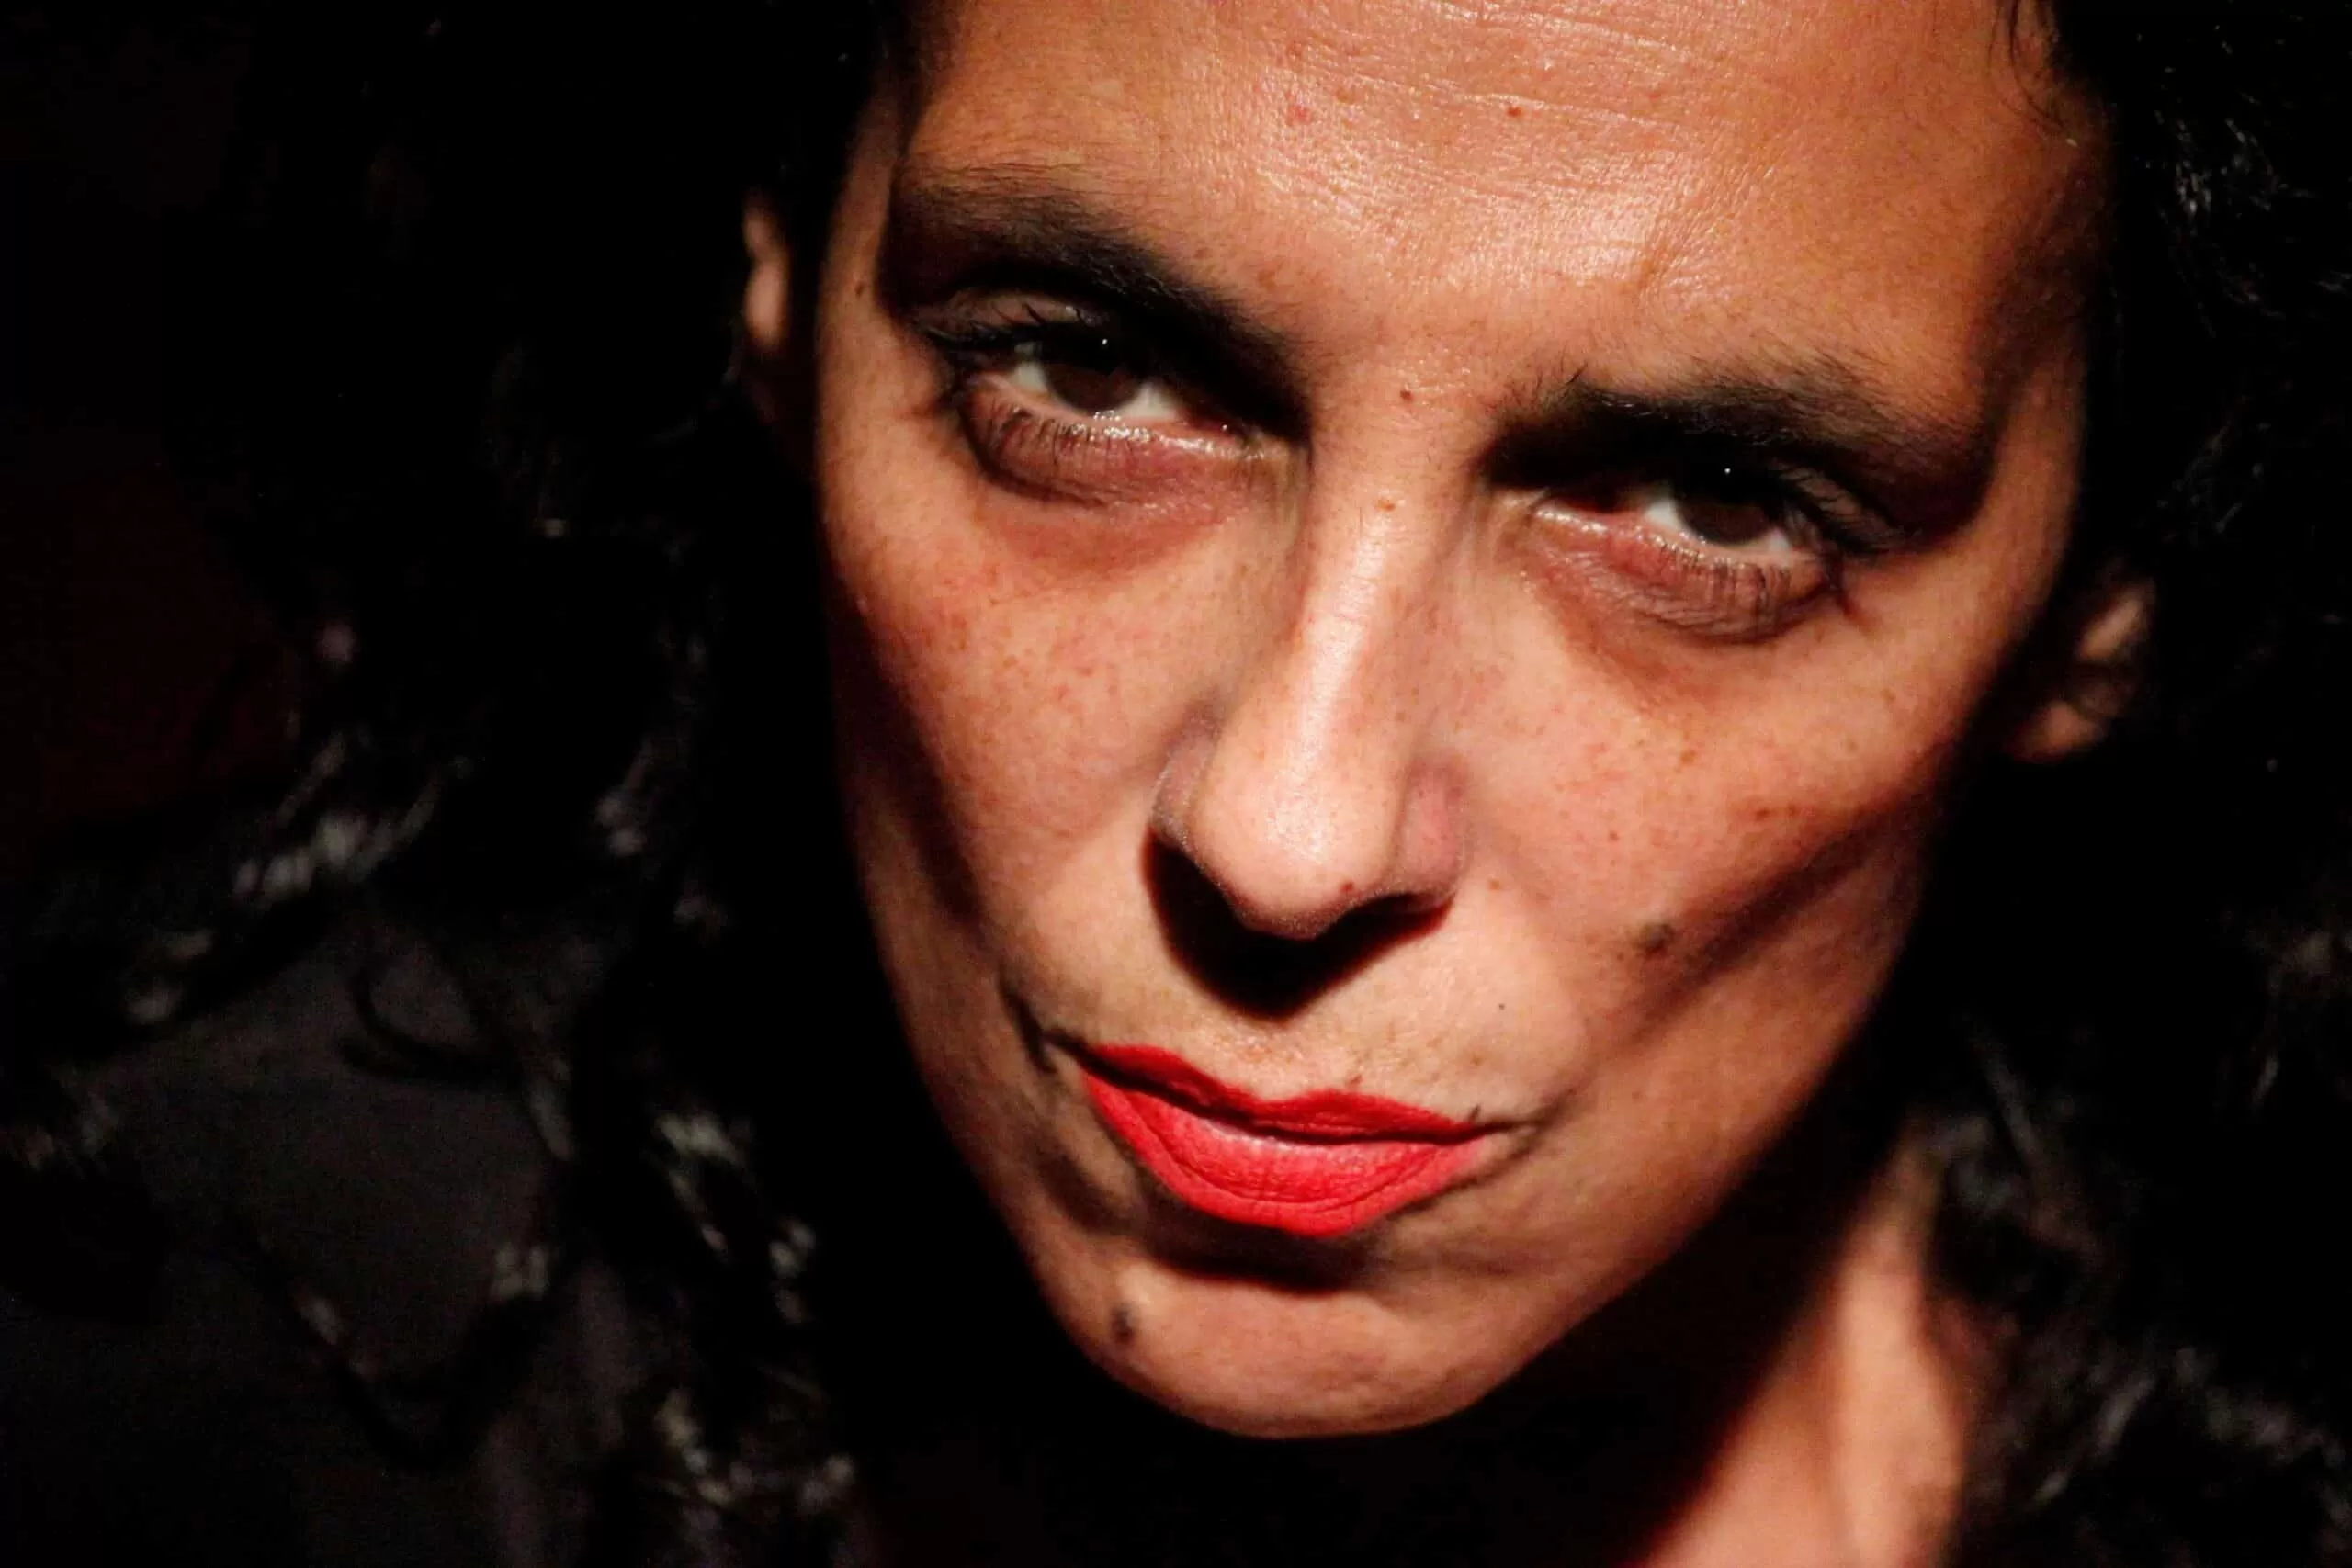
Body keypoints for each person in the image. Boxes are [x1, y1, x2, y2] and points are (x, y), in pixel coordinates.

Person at [3, 1, 2350, 1564]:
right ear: (776, 283)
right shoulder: (181, 1307)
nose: (1286, 832)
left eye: (1710, 505)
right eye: (1089, 373)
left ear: (2103, 584)